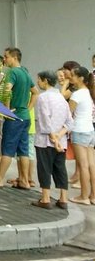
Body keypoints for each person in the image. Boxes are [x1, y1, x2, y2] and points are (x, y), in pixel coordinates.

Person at [0, 47, 38, 189]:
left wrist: (7, 110)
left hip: (14, 118)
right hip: (25, 118)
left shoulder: (12, 72)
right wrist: (28, 108)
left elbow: (7, 90)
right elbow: (36, 93)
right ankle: (24, 181)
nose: (4, 59)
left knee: (7, 149)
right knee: (23, 150)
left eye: (6, 57)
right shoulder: (25, 73)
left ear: (14, 58)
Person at [32, 70, 72, 209]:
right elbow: (69, 121)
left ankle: (45, 198)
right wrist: (59, 136)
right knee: (60, 168)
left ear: (45, 81)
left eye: (39, 79)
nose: (38, 82)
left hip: (45, 141)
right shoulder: (61, 97)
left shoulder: (43, 98)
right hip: (61, 141)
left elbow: (44, 120)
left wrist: (53, 138)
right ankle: (63, 199)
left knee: (44, 168)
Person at [68, 65, 95, 205]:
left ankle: (84, 196)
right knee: (91, 165)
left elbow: (68, 114)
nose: (70, 78)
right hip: (90, 130)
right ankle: (93, 196)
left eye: (72, 75)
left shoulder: (77, 94)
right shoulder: (89, 92)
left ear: (81, 78)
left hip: (79, 130)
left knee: (83, 165)